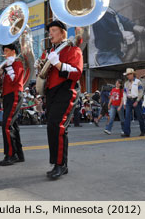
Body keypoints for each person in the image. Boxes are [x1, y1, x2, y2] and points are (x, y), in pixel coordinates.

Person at [44, 20, 83, 179]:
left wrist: (58, 64)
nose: (50, 34)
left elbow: (76, 72)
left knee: (57, 125)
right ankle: (58, 164)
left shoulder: (73, 50)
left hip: (65, 90)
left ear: (63, 33)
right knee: (52, 127)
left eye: (53, 30)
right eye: (49, 31)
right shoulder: (49, 51)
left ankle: (60, 165)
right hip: (51, 92)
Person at [0, 41, 25, 166]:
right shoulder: (8, 65)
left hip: (14, 94)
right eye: (4, 51)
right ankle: (19, 154)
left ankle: (10, 155)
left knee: (7, 125)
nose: (4, 54)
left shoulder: (17, 63)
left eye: (6, 51)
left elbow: (14, 80)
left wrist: (8, 68)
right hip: (8, 96)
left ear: (13, 52)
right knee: (13, 125)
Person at [122, 68, 145, 137]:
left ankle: (143, 131)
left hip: (136, 100)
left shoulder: (138, 82)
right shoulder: (126, 83)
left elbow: (141, 92)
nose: (128, 76)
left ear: (133, 74)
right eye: (127, 75)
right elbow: (125, 93)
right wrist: (125, 103)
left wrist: (137, 101)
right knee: (127, 117)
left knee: (140, 116)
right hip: (129, 101)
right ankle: (127, 132)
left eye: (129, 74)